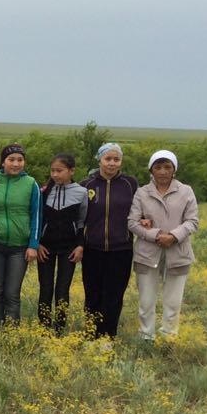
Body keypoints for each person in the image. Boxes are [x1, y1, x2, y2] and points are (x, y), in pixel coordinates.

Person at [129, 150, 199, 341]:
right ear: (151, 170)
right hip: (147, 254)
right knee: (146, 301)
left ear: (174, 169)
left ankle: (169, 337)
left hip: (178, 253)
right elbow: (133, 222)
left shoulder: (186, 191)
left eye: (167, 167)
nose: (162, 171)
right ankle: (146, 336)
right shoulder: (142, 193)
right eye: (158, 167)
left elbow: (192, 221)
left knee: (173, 302)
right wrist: (157, 235)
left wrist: (174, 236)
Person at [80, 142, 139, 339]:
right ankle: (91, 335)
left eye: (116, 159)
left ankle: (108, 336)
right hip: (92, 249)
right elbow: (79, 217)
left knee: (114, 295)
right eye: (108, 159)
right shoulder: (86, 185)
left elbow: (141, 208)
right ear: (100, 160)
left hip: (121, 249)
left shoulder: (130, 184)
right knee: (92, 294)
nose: (112, 163)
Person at [0, 144, 41, 329]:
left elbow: (37, 215)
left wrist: (33, 245)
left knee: (12, 293)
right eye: (11, 160)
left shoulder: (31, 184)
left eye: (20, 160)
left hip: (20, 247)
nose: (16, 164)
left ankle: (12, 333)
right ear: (3, 162)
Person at [36, 153, 87, 332]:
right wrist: (37, 244)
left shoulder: (81, 192)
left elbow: (82, 222)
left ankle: (59, 328)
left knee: (62, 289)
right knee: (45, 288)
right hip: (45, 247)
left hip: (69, 248)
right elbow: (38, 219)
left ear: (71, 171)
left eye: (60, 171)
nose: (55, 174)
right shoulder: (43, 192)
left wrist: (80, 245)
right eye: (53, 171)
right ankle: (43, 327)